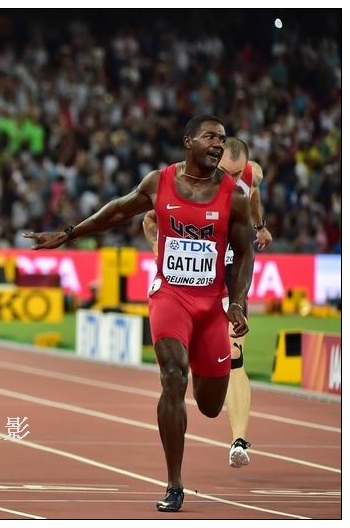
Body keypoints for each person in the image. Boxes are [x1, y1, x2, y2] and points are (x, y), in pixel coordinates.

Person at [23, 114, 254, 512]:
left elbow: (246, 251)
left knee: (211, 405)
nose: (218, 144)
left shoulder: (233, 196)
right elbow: (116, 212)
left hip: (210, 304)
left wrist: (237, 301)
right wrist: (68, 233)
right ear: (189, 142)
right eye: (210, 137)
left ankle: (202, 365)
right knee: (172, 376)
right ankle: (175, 484)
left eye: (222, 138)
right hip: (171, 298)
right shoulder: (159, 182)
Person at [142, 137, 273, 469]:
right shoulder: (192, 183)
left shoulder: (252, 175)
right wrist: (160, 252)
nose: (231, 179)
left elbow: (252, 195)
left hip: (229, 272)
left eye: (237, 173)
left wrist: (259, 226)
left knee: (236, 354)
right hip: (194, 280)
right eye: (226, 171)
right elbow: (149, 220)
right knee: (188, 372)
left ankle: (238, 440)